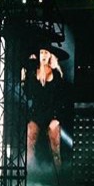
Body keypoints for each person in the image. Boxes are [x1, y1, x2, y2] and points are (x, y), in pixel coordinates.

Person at [22, 41, 70, 178]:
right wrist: (25, 77)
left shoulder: (56, 75)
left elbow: (62, 99)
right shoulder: (33, 73)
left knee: (55, 148)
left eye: (46, 52)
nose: (43, 55)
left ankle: (59, 178)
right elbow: (27, 94)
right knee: (29, 140)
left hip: (52, 114)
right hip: (36, 113)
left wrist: (57, 118)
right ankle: (29, 175)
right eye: (41, 52)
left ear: (50, 55)